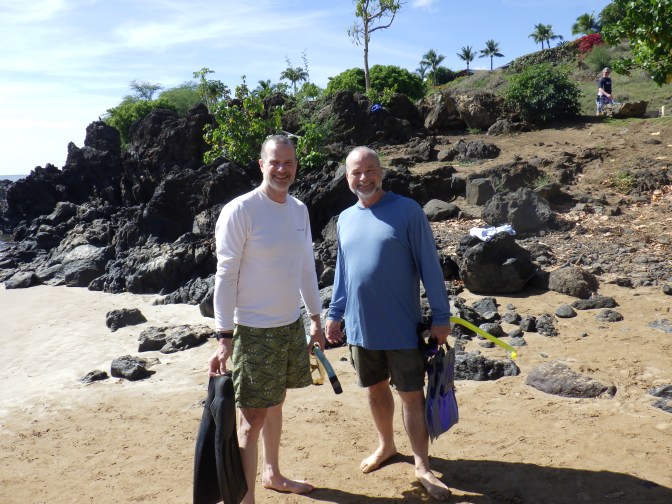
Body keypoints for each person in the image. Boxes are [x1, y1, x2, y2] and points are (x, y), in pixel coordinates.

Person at [325, 146, 453, 501]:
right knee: (375, 389)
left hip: (401, 326)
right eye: (356, 172)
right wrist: (335, 314)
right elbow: (343, 273)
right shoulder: (344, 218)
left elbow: (430, 266)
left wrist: (441, 317)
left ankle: (422, 465)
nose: (363, 178)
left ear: (381, 172)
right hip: (360, 327)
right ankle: (386, 446)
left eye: (370, 170)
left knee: (411, 395)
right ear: (347, 178)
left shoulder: (408, 211)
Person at [208, 134, 324, 504]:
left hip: (289, 324)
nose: (282, 169)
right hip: (252, 329)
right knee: (251, 419)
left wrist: (315, 318)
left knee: (276, 402)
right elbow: (225, 275)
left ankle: (272, 473)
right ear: (261, 164)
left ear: (296, 166)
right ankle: (246, 499)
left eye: (288, 162)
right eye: (275, 162)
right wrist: (224, 336)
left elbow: (305, 268)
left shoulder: (299, 210)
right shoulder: (241, 210)